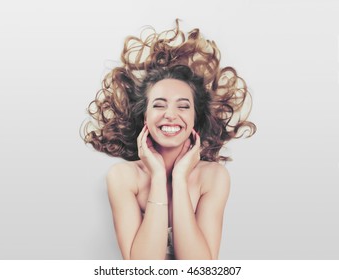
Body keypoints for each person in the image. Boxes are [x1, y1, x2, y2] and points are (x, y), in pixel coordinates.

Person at [83, 20, 256, 260]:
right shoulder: (123, 177)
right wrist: (156, 176)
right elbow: (144, 269)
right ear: (145, 116)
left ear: (195, 118)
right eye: (159, 105)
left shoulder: (213, 177)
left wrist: (180, 178)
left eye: (183, 106)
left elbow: (198, 270)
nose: (170, 115)